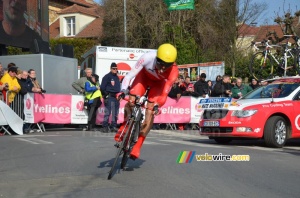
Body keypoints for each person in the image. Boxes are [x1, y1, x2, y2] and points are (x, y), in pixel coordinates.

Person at [115, 43, 179, 159]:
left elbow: (164, 94)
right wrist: (123, 90)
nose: (163, 68)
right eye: (161, 63)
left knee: (150, 112)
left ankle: (138, 144)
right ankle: (124, 124)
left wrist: (157, 105)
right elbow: (129, 76)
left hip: (158, 85)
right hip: (143, 78)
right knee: (131, 100)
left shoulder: (174, 72)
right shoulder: (148, 57)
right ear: (156, 58)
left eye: (167, 65)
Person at [100, 62, 121, 132]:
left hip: (116, 97)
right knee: (108, 112)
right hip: (110, 96)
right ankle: (105, 126)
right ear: (110, 69)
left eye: (116, 68)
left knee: (115, 113)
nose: (115, 70)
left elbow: (118, 88)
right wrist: (106, 95)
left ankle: (113, 126)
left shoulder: (117, 77)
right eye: (113, 68)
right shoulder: (107, 77)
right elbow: (102, 87)